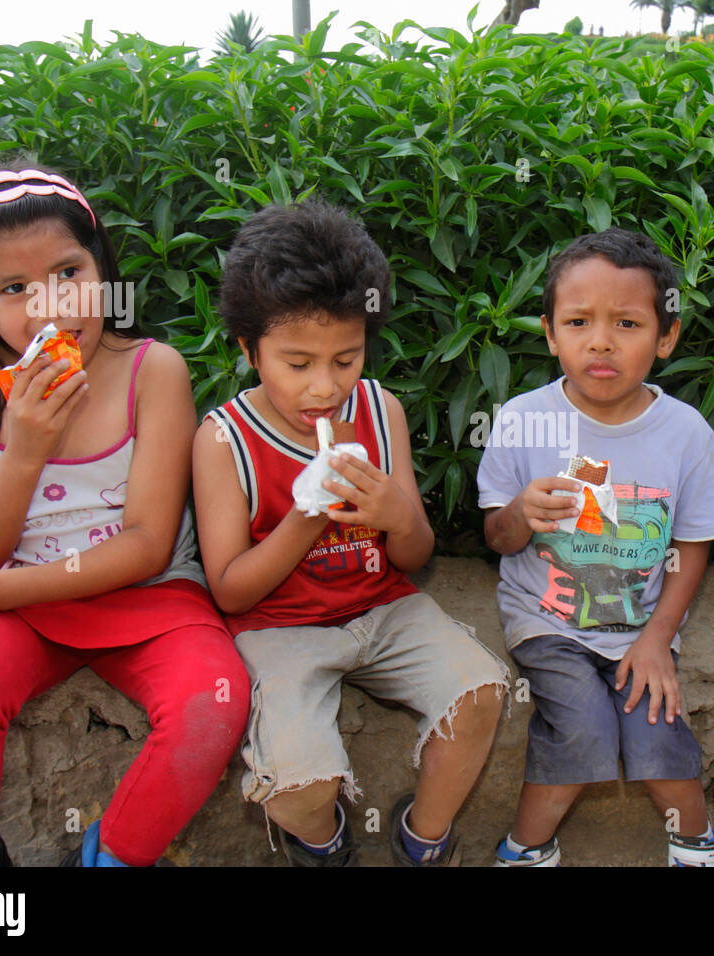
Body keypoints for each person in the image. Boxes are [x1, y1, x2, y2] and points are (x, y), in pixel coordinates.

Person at [0, 161, 249, 867]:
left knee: (214, 698)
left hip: (147, 598)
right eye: (14, 289)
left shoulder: (153, 368)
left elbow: (145, 544)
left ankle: (111, 854)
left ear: (102, 266)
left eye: (69, 272)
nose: (50, 305)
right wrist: (24, 453)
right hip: (21, 613)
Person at [192, 201, 507, 867]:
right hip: (281, 631)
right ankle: (324, 841)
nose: (326, 386)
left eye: (347, 357)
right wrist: (309, 513)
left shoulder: (378, 408)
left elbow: (414, 556)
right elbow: (230, 592)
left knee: (480, 691)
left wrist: (397, 515)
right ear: (249, 350)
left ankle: (424, 837)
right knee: (300, 783)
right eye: (297, 362)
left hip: (384, 606)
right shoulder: (224, 441)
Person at [477, 227, 714, 866]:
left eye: (626, 322)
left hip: (638, 623)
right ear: (550, 332)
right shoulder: (522, 420)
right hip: (546, 618)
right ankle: (525, 849)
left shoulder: (684, 433)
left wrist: (657, 638)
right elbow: (496, 538)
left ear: (666, 337)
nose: (600, 340)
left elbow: (692, 544)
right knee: (583, 726)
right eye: (579, 321)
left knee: (659, 728)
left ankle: (696, 843)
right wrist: (521, 512)